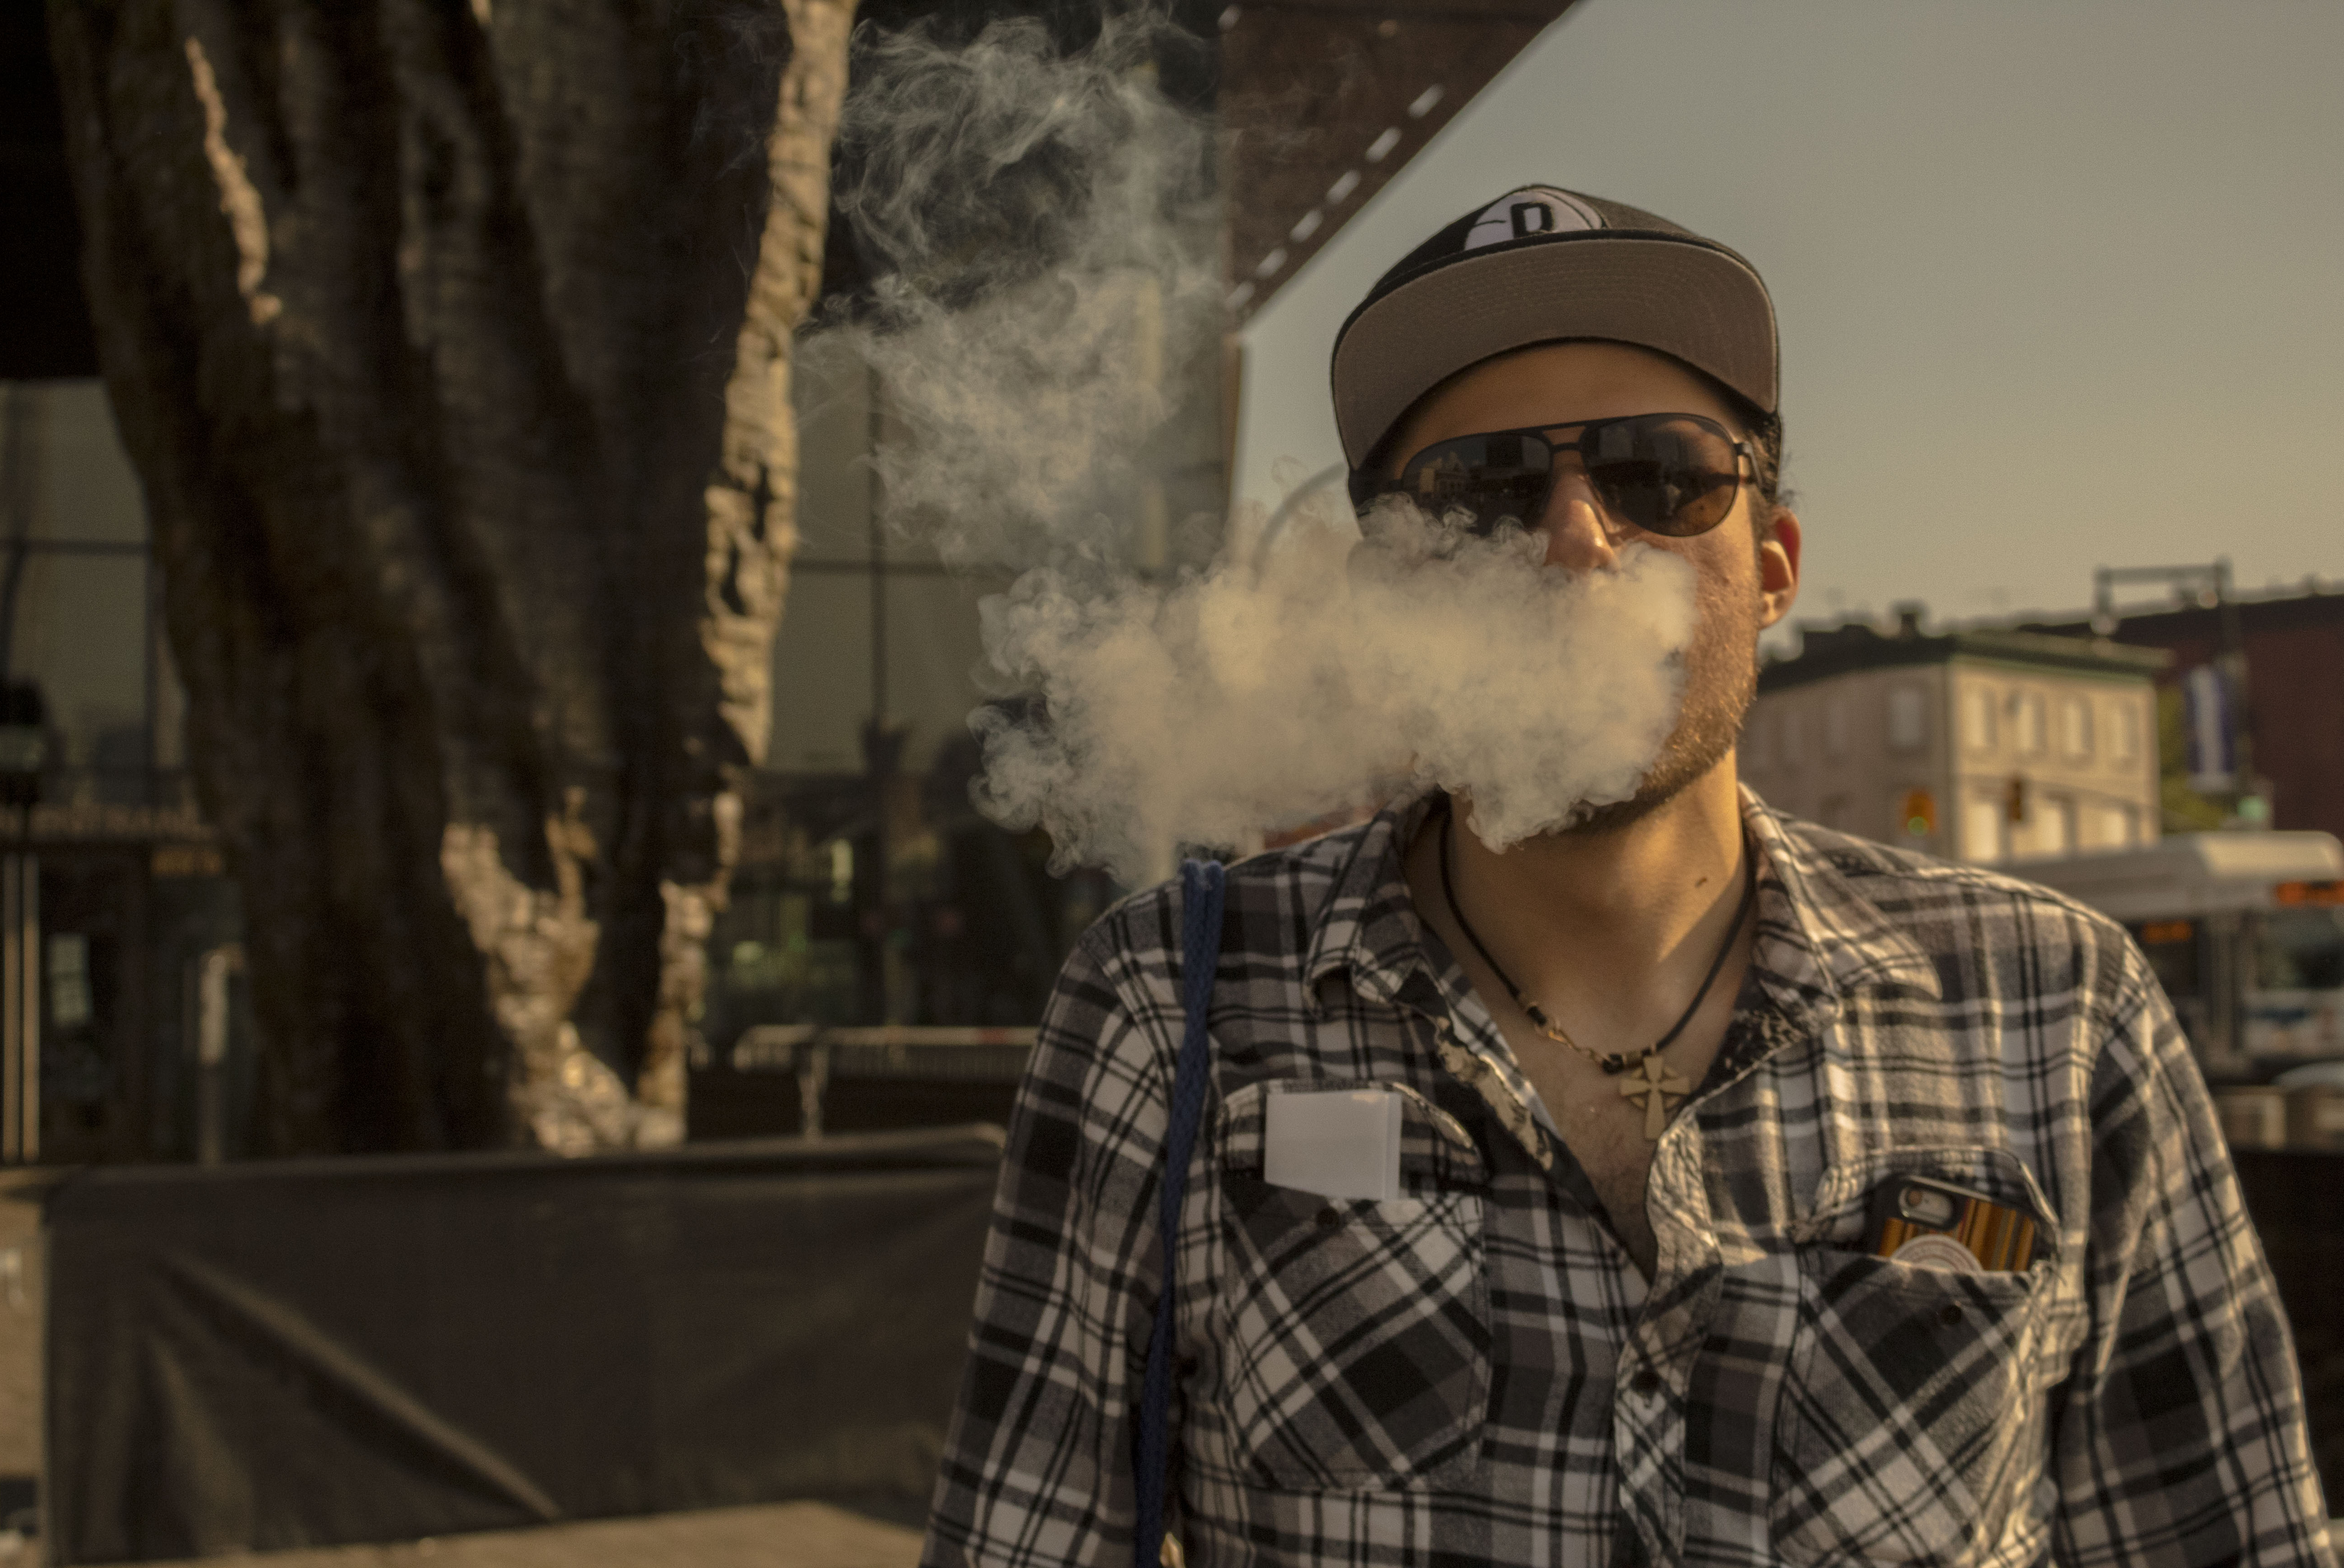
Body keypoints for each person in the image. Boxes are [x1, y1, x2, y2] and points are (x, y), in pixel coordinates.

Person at [919, 187, 2336, 1567]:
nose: (1579, 538)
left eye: (1663, 474)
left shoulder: (2058, 1008)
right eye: (1482, 494)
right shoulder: (1170, 1003)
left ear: (1774, 567)